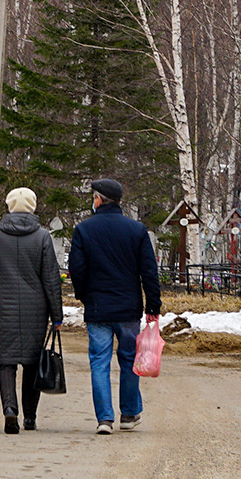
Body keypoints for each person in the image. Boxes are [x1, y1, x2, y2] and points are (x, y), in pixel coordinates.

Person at [67, 177, 161, 435]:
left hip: (98, 306)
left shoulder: (84, 230)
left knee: (99, 361)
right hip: (128, 307)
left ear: (98, 199)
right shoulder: (136, 230)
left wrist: (84, 295)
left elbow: (77, 269)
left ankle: (104, 419)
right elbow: (149, 271)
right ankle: (129, 414)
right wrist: (153, 304)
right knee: (130, 359)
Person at [0, 187, 63, 435]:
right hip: (35, 308)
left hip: (4, 306)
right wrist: (56, 314)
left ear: (8, 206)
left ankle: (9, 410)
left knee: (5, 362)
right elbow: (51, 279)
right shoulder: (42, 237)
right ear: (33, 206)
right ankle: (30, 417)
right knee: (31, 361)